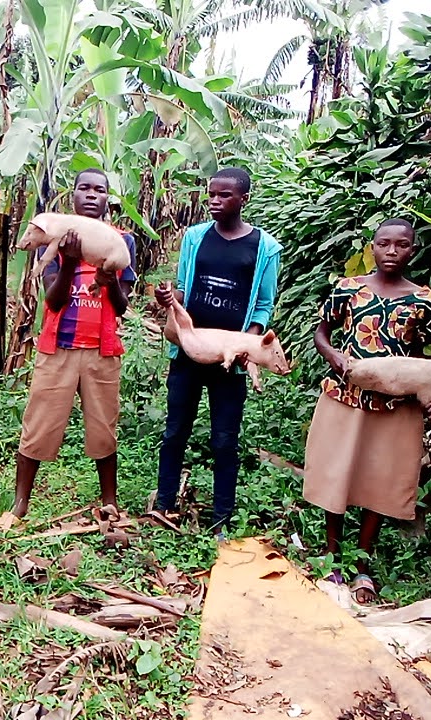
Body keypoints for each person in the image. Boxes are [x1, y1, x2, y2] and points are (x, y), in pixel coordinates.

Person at [303, 219, 431, 604]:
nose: (392, 252)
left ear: (413, 250)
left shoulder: (423, 300)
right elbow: (322, 332)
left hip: (396, 405)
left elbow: (425, 354)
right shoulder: (349, 288)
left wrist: (426, 388)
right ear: (373, 247)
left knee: (379, 481)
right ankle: (332, 557)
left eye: (401, 245)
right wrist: (333, 356)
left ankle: (362, 565)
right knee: (336, 474)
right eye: (384, 244)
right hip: (344, 395)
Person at [153, 167, 282, 534]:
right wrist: (168, 299)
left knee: (225, 439)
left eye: (224, 195)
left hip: (231, 361)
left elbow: (263, 304)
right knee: (175, 430)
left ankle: (221, 519)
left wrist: (248, 344)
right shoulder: (195, 238)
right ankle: (163, 505)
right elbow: (182, 289)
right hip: (190, 354)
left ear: (244, 199)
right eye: (211, 194)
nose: (214, 201)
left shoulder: (265, 248)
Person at [8, 168, 137, 520]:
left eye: (99, 189)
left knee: (103, 428)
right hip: (58, 347)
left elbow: (123, 305)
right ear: (73, 196)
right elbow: (52, 301)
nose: (91, 195)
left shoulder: (122, 242)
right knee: (38, 425)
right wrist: (71, 262)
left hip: (102, 349)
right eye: (84, 188)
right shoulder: (55, 236)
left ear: (108, 198)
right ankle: (20, 504)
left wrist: (108, 281)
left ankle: (109, 501)